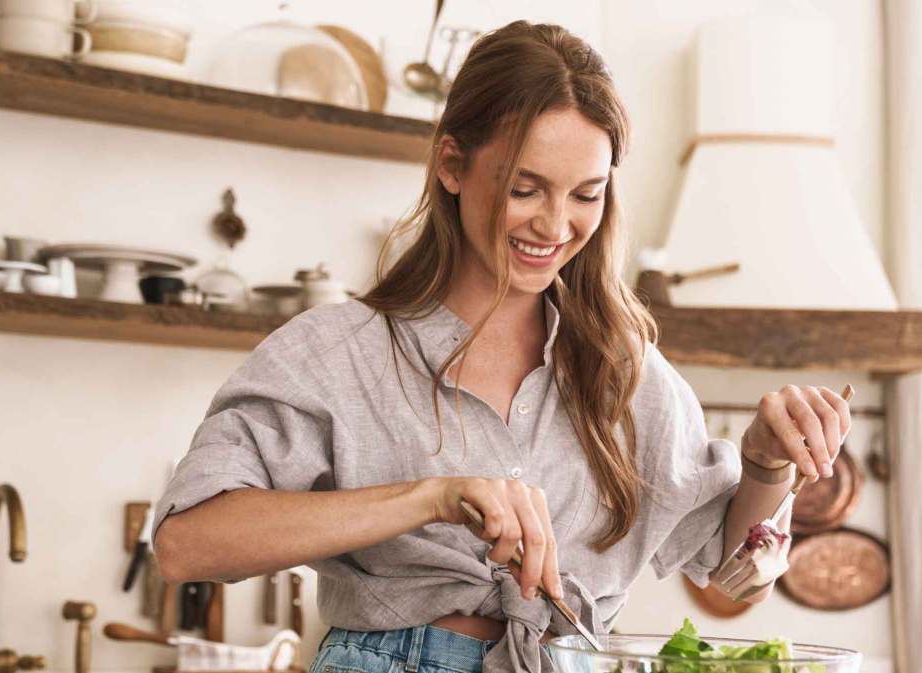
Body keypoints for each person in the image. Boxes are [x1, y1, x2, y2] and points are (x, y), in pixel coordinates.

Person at [152, 20, 851, 673]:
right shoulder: (338, 352)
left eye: (587, 194)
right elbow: (187, 543)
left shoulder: (628, 373)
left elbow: (735, 583)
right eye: (526, 188)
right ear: (451, 164)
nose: (555, 224)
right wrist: (433, 496)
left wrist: (764, 466)